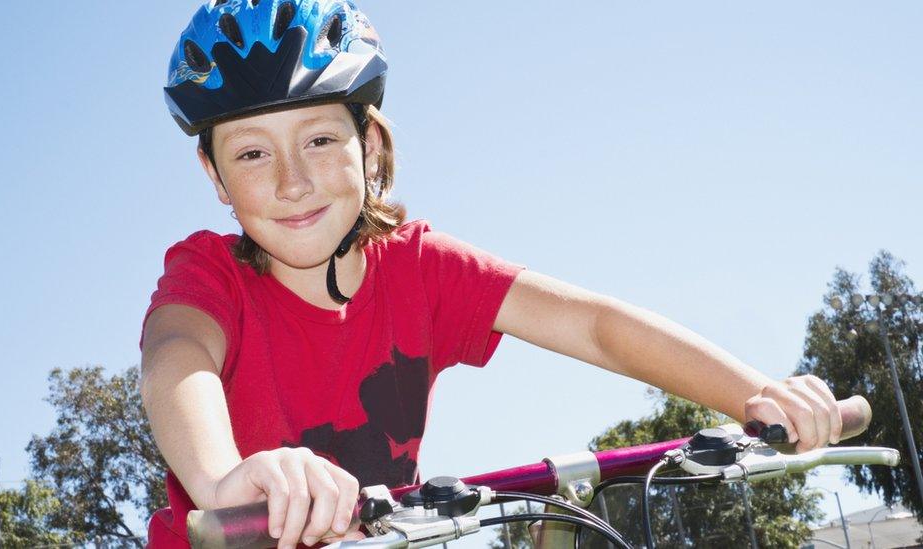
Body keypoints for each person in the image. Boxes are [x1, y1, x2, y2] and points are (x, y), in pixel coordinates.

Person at [140, 1, 846, 548]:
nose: (293, 181)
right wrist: (221, 477)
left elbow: (596, 326)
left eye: (320, 139)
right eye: (254, 155)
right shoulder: (209, 275)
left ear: (370, 142)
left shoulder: (421, 270)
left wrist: (756, 394)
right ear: (216, 176)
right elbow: (177, 356)